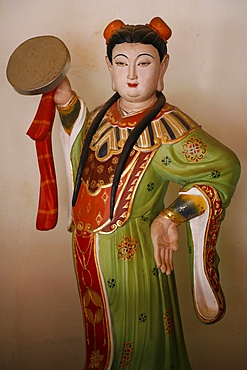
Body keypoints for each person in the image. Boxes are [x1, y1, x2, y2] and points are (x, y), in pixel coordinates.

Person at [54, 17, 240, 370]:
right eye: (121, 63)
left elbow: (224, 168)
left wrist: (172, 215)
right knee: (101, 344)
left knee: (141, 343)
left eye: (144, 63)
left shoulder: (168, 127)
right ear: (109, 67)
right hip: (88, 252)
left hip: (135, 252)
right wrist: (67, 104)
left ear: (163, 66)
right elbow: (81, 157)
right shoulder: (100, 118)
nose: (132, 75)